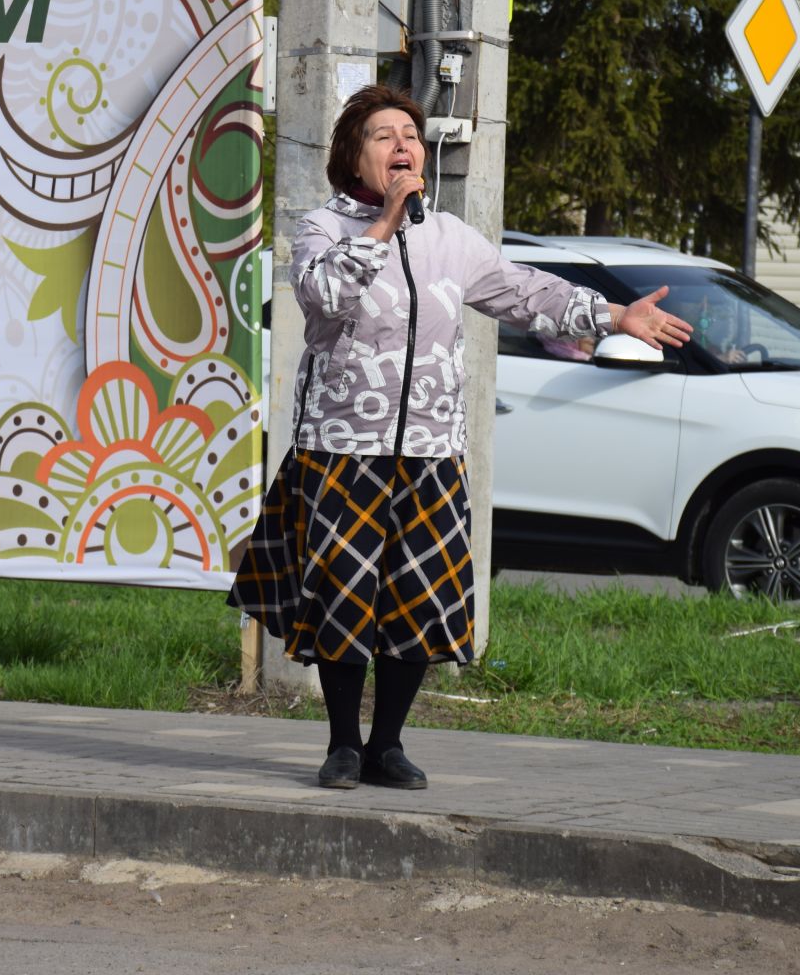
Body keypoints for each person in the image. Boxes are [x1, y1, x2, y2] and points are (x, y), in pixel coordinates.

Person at [227, 84, 692, 791]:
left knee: (415, 601)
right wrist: (381, 226)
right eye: (383, 135)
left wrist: (615, 315)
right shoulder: (322, 229)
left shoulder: (449, 240)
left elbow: (527, 293)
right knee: (346, 599)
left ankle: (388, 745)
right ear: (354, 156)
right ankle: (343, 745)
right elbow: (326, 296)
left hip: (430, 452)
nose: (403, 145)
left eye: (409, 134)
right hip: (343, 449)